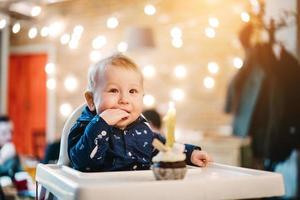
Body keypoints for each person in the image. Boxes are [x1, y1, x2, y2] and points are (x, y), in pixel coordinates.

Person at [68, 54, 211, 172]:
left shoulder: (143, 131)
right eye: (113, 90)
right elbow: (82, 163)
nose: (124, 100)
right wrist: (100, 125)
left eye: (132, 91)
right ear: (91, 100)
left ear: (142, 97)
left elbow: (165, 147)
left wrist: (191, 154)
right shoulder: (85, 127)